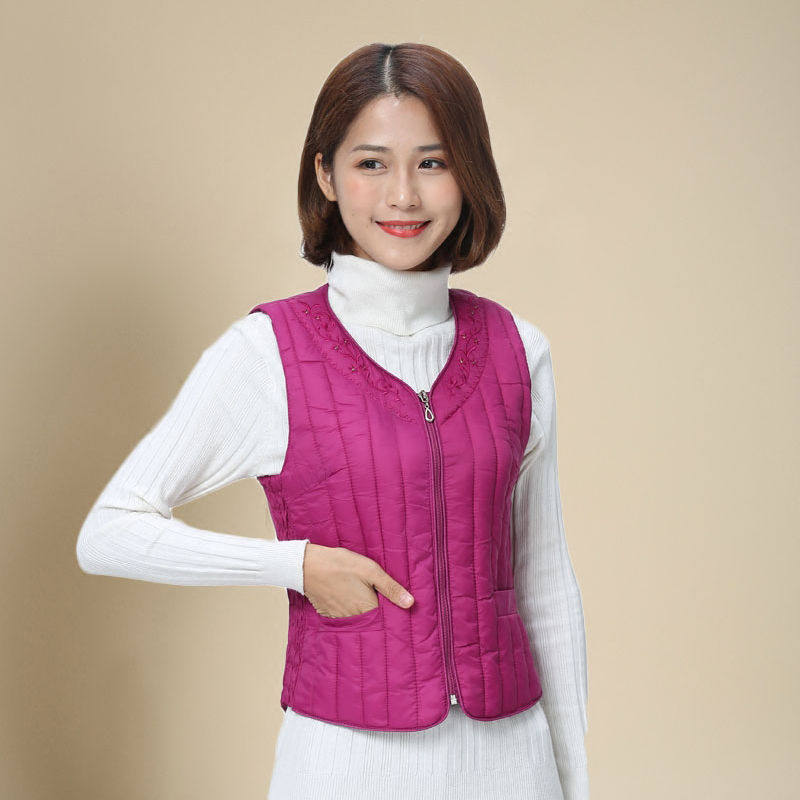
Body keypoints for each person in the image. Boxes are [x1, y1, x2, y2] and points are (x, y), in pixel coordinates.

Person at [77, 42, 588, 800]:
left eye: (434, 162)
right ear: (325, 175)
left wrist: (573, 784)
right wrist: (295, 565)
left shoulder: (520, 350)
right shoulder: (268, 352)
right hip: (345, 768)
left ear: (470, 173)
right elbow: (108, 533)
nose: (403, 196)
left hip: (513, 766)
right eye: (371, 163)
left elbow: (543, 583)